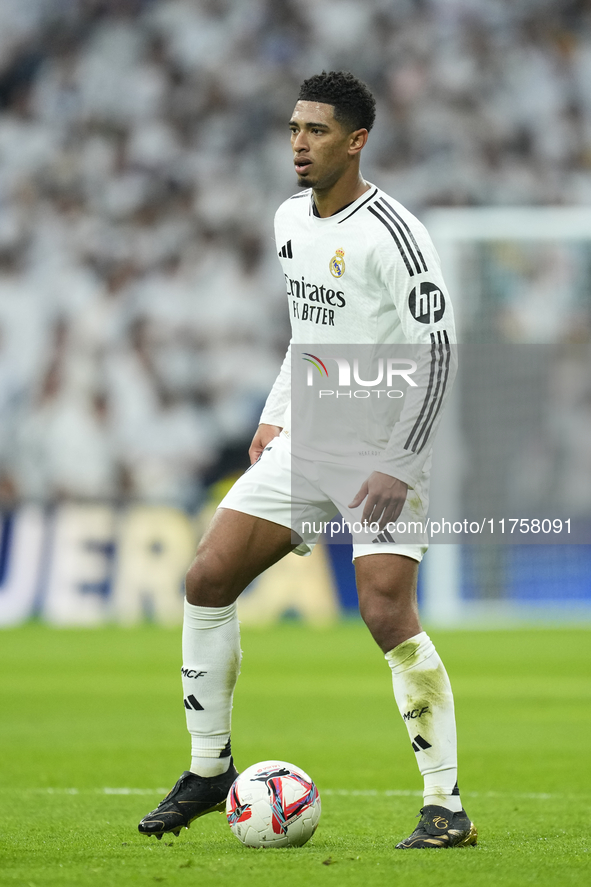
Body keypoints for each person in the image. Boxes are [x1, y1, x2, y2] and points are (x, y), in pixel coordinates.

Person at [138, 71, 477, 850]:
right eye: (294, 127)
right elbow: (307, 332)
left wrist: (397, 461)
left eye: (316, 130)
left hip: (383, 449)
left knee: (385, 612)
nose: (298, 141)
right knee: (207, 575)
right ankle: (209, 767)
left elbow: (438, 355)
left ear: (355, 141)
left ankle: (444, 805)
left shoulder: (396, 235)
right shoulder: (290, 220)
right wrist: (273, 415)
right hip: (307, 437)